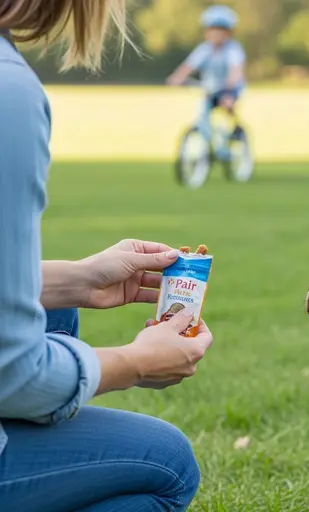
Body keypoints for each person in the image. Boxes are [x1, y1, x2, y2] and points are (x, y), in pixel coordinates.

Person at [0, 2, 213, 511]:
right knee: (169, 464)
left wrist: (76, 280)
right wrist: (138, 362)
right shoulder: (9, 92)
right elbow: (16, 375)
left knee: (57, 310)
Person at [166, 5, 246, 147]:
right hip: (210, 88)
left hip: (229, 87)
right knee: (203, 109)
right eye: (213, 31)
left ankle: (235, 130)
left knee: (226, 104)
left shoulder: (233, 49)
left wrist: (230, 88)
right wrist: (177, 78)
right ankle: (207, 139)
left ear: (228, 33)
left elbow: (236, 70)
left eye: (220, 31)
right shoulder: (204, 49)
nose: (216, 35)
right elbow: (188, 66)